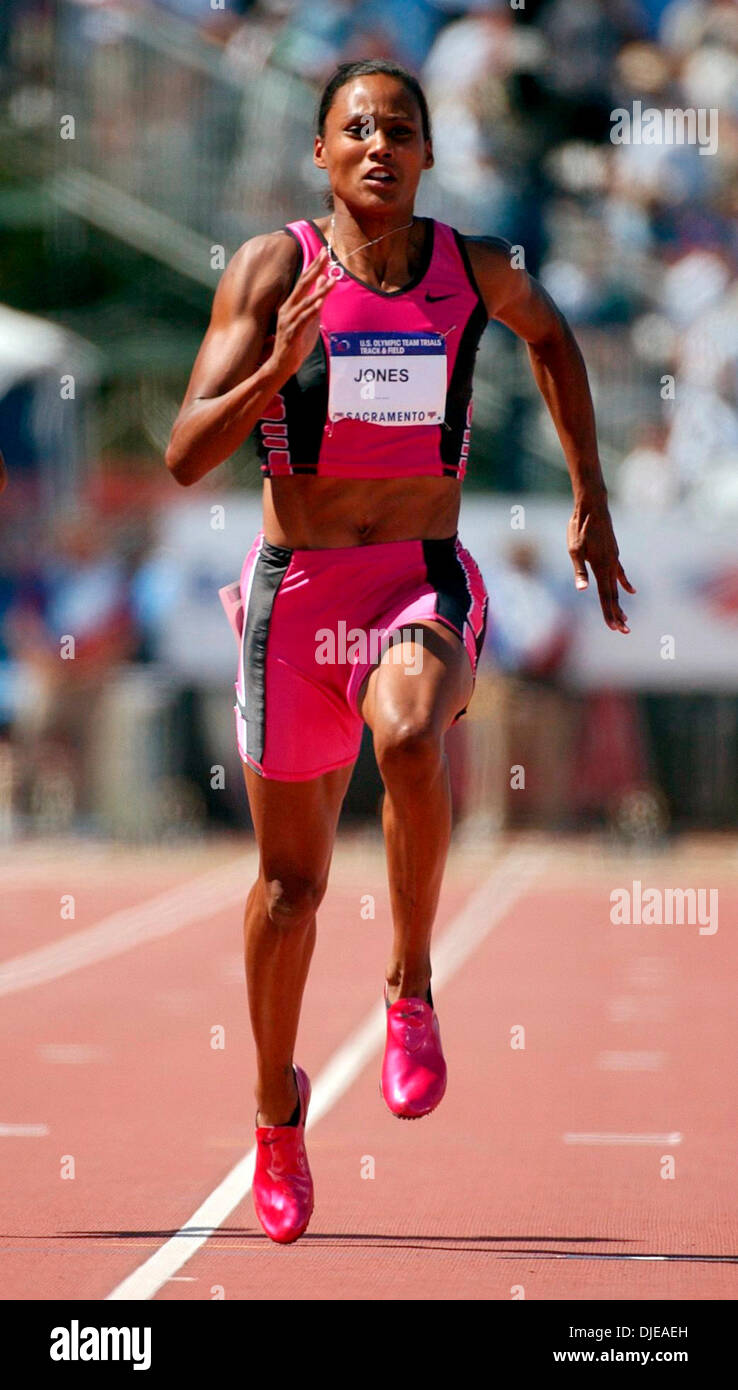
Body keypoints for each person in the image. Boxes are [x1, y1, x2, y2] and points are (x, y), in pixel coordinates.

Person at [165, 57, 635, 1245]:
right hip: (297, 592)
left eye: (401, 130)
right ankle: (277, 1110)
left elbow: (554, 335)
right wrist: (273, 369)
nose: (380, 146)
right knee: (290, 889)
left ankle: (411, 985)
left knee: (413, 733)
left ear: (429, 155)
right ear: (320, 154)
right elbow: (182, 452)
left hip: (414, 577)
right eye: (357, 129)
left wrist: (589, 491)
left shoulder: (473, 272)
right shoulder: (273, 270)